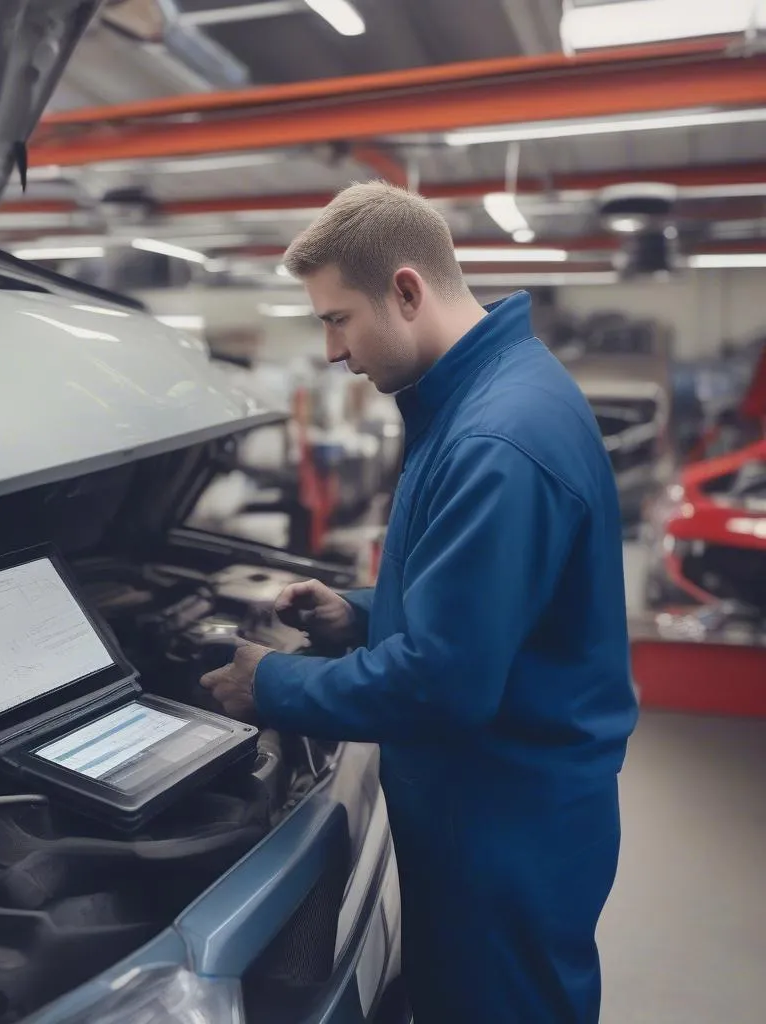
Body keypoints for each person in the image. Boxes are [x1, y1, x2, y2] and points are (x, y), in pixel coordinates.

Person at [200, 182, 639, 1023]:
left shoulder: (494, 439)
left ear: (406, 290)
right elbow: (488, 606)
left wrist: (275, 686)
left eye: (337, 319)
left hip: (504, 823)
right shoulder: (482, 398)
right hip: (491, 807)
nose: (332, 350)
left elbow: (446, 682)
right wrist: (358, 616)